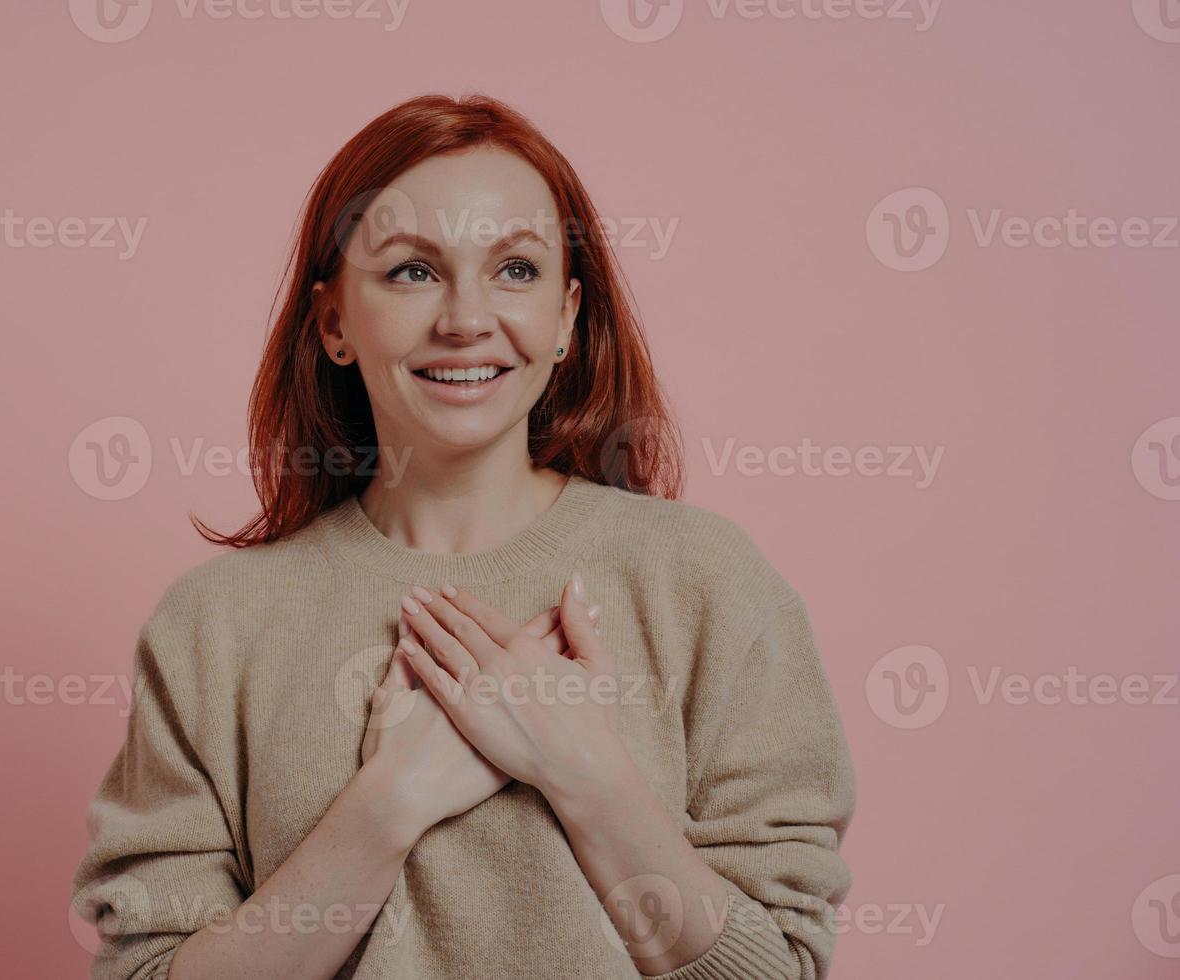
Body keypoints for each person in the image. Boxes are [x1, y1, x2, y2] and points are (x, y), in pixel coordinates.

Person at [70, 92, 856, 980]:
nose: (466, 319)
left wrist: (584, 773)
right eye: (412, 271)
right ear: (333, 323)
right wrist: (389, 803)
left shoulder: (708, 584)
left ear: (566, 318)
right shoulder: (213, 629)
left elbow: (778, 968)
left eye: (515, 270)